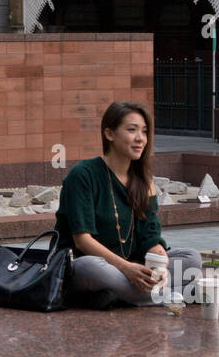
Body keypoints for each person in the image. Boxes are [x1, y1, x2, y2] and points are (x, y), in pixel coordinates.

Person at [55, 101, 204, 308]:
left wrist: (158, 257)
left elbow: (150, 236)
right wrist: (127, 268)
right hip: (86, 264)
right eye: (132, 130)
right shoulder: (83, 175)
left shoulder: (144, 180)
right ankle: (170, 294)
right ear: (109, 134)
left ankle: (119, 296)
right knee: (92, 267)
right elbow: (82, 241)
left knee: (191, 258)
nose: (140, 138)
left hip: (134, 264)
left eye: (144, 131)